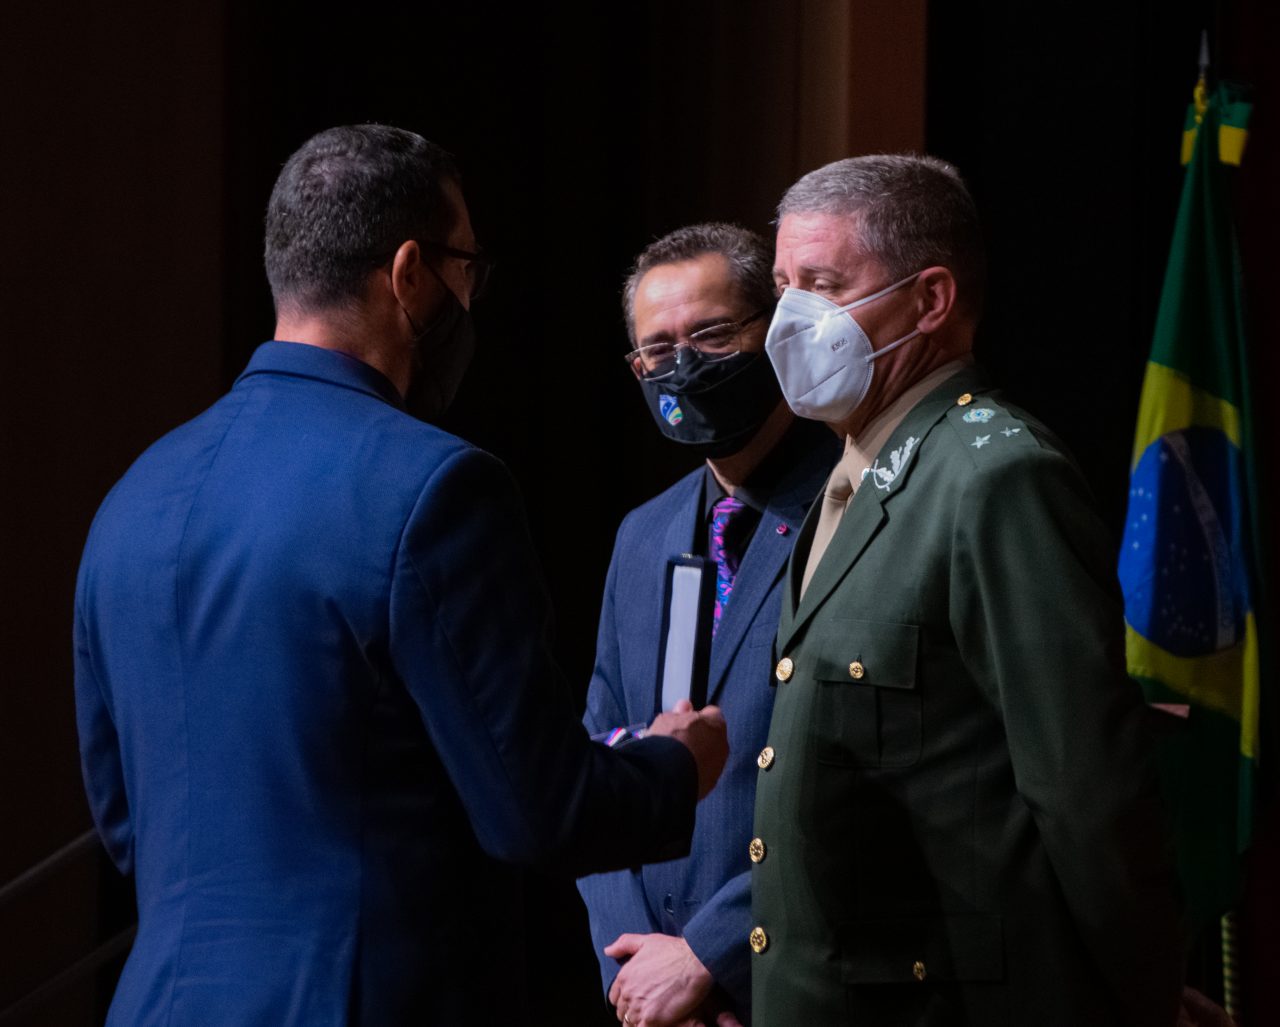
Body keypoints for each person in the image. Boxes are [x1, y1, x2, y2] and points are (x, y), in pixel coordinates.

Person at [72, 124, 728, 1027]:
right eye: (468, 269)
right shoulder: (436, 488)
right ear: (411, 272)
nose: (470, 299)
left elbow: (121, 822)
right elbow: (535, 811)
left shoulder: (132, 497)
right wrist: (675, 763)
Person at [748, 154, 1184, 1025]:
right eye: (784, 286)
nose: (791, 317)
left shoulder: (995, 476)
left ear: (931, 299)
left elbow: (1084, 790)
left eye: (824, 284)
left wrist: (1146, 996)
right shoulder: (851, 477)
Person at [576, 224, 838, 1027]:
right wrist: (637, 969)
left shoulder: (857, 509)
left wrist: (708, 957)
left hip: (798, 985)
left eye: (714, 334)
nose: (683, 365)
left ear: (776, 329)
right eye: (658, 349)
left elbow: (868, 777)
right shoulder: (642, 535)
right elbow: (599, 760)